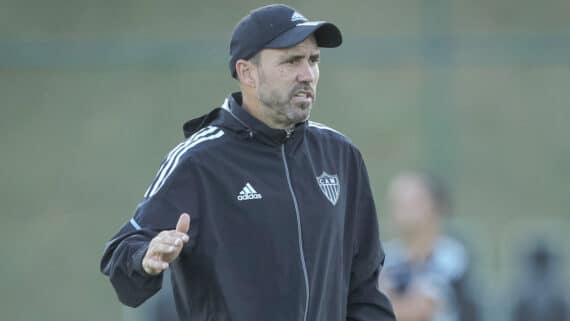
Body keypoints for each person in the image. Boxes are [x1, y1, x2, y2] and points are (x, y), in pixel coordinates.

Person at [100, 4, 395, 321]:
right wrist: (146, 257)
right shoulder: (199, 161)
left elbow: (363, 285)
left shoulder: (340, 155)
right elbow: (122, 253)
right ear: (247, 72)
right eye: (292, 60)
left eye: (313, 60)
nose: (307, 74)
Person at [379, 172, 478, 321]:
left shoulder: (451, 255)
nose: (401, 210)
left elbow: (419, 313)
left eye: (411, 202)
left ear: (436, 206)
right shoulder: (385, 256)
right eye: (396, 203)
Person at [511, 240, 569, 321]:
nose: (541, 265)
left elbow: (562, 313)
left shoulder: (558, 292)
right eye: (538, 260)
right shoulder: (523, 292)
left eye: (543, 260)